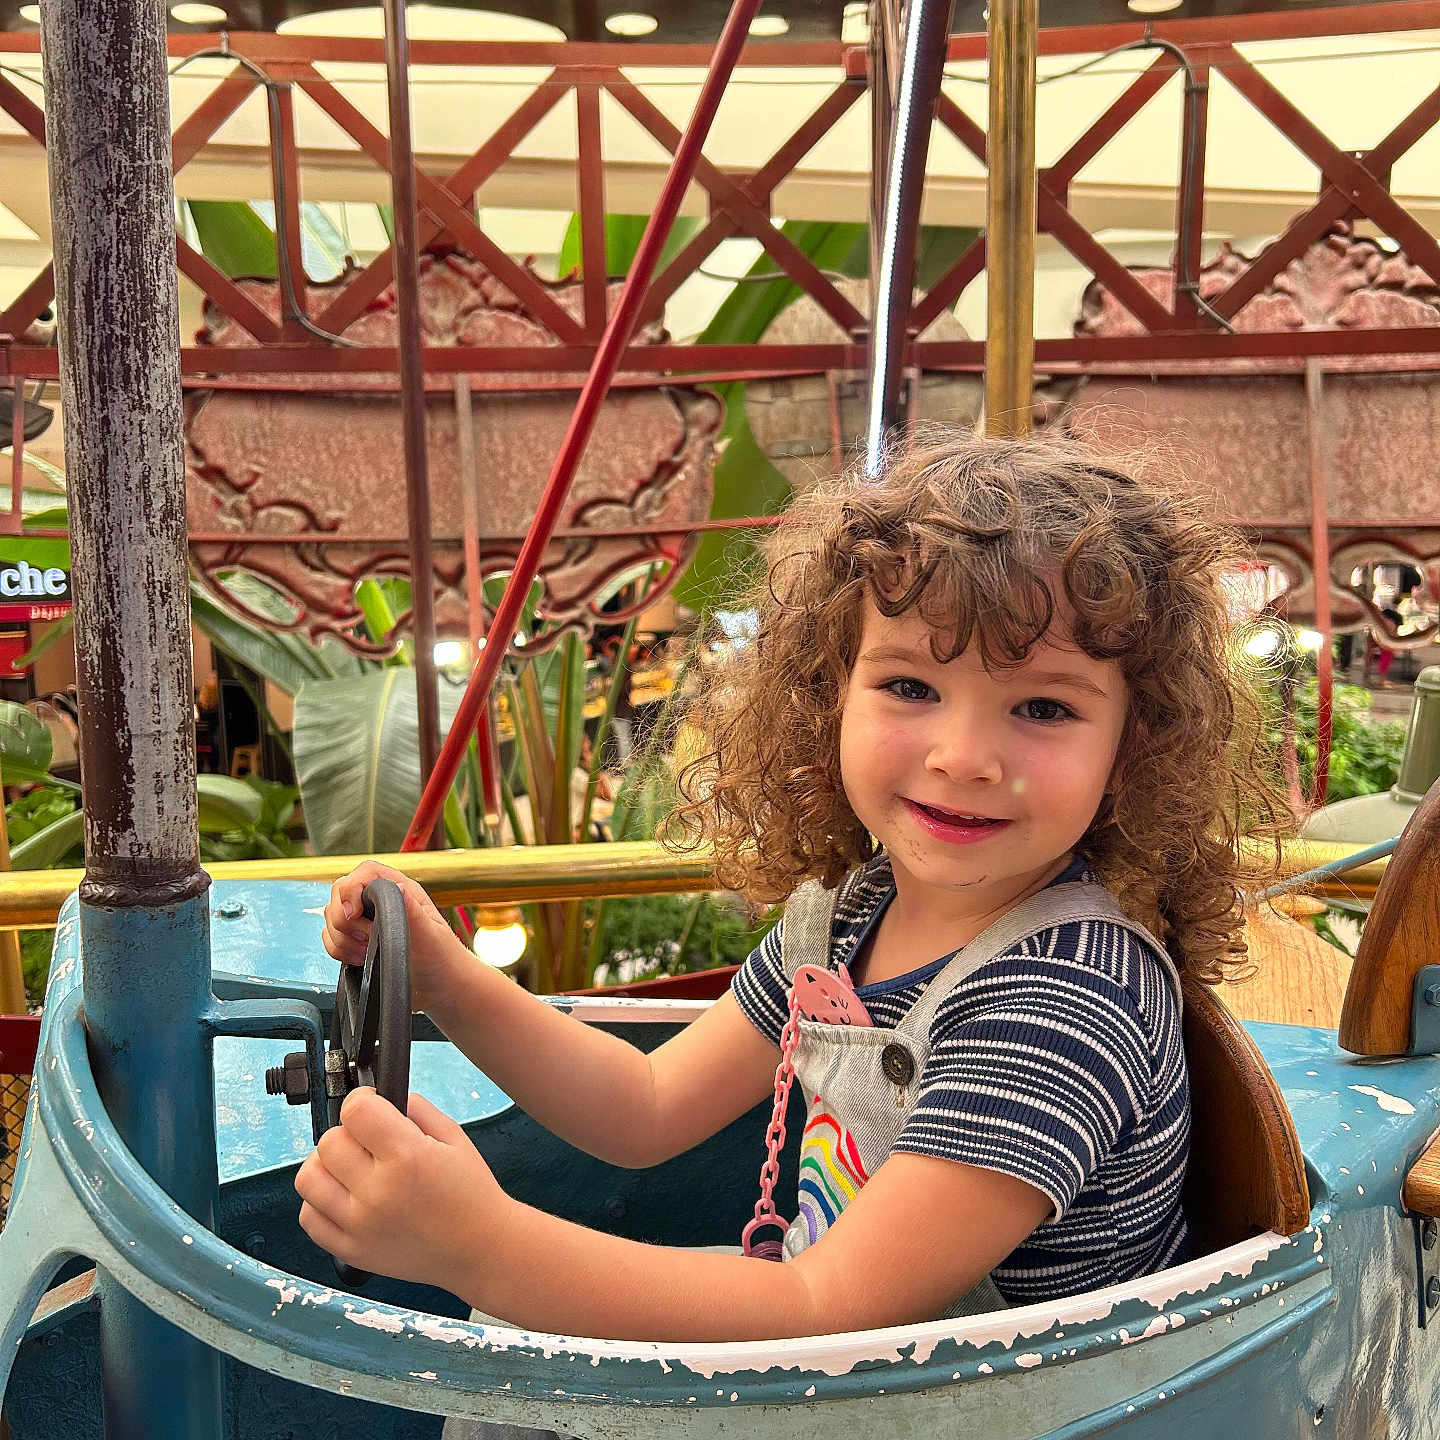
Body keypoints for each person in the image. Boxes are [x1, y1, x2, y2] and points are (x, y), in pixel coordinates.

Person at [299, 432, 1285, 1349]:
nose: (962, 756)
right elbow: (645, 1106)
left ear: (1135, 744)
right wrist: (451, 982)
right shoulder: (847, 920)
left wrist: (477, 1246)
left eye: (1041, 707)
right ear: (832, 694)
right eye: (910, 687)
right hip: (864, 1362)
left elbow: (829, 1308)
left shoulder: (1064, 998)